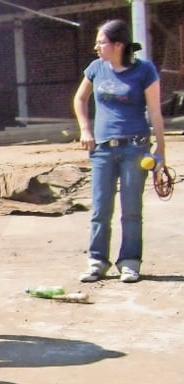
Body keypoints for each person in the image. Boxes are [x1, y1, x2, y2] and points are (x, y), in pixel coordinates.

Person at [73, 18, 165, 284]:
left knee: (131, 209)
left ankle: (129, 261)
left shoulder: (144, 71)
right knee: (101, 208)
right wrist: (85, 129)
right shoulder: (95, 68)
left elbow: (155, 111)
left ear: (118, 44)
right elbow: (80, 98)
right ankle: (97, 261)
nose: (96, 46)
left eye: (101, 42)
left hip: (134, 148)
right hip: (102, 149)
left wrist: (161, 149)